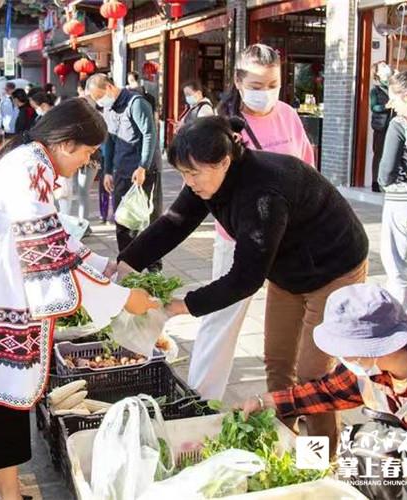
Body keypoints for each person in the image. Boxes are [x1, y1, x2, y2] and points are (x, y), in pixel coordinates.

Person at [0, 98, 157, 500]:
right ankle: (5, 493)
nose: (86, 163)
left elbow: (55, 239)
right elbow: (49, 260)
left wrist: (107, 268)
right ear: (67, 143)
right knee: (0, 400)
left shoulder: (29, 159)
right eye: (87, 154)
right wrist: (121, 300)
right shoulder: (30, 168)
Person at [116, 116, 369, 456]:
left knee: (312, 378)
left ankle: (320, 461)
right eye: (183, 174)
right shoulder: (207, 179)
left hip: (334, 270)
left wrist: (183, 305)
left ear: (224, 161)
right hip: (287, 272)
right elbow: (174, 224)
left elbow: (245, 279)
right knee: (278, 363)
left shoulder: (263, 193)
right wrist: (124, 264)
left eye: (194, 174)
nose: (189, 183)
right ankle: (283, 445)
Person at [190, 44, 316, 403]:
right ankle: (202, 401)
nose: (266, 92)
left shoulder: (290, 115)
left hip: (290, 238)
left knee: (293, 327)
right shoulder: (221, 125)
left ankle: (293, 402)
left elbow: (307, 170)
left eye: (273, 83)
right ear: (239, 81)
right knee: (222, 320)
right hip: (239, 237)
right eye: (257, 84)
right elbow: (208, 190)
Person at [241, 283, 407, 498]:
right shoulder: (368, 369)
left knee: (367, 443)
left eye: (345, 350)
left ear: (372, 346)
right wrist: (266, 402)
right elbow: (327, 392)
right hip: (401, 470)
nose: (343, 357)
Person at [86, 74, 163, 269]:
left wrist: (143, 165)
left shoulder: (136, 103)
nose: (100, 102)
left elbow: (149, 134)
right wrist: (107, 171)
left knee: (147, 221)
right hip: (121, 172)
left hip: (142, 173)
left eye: (100, 96)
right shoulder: (108, 108)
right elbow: (109, 141)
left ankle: (154, 268)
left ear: (110, 87)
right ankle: (127, 265)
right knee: (123, 221)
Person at [378, 71, 407, 322]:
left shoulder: (400, 124)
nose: (390, 104)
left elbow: (386, 173)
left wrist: (386, 184)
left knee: (398, 269)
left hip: (405, 203)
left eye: (393, 99)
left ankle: (399, 328)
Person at [370, 61, 393, 193]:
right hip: (381, 126)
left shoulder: (393, 86)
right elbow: (373, 107)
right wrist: (385, 106)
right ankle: (375, 181)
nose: (386, 68)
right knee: (378, 153)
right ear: (377, 73)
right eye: (383, 66)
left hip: (392, 125)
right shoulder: (375, 90)